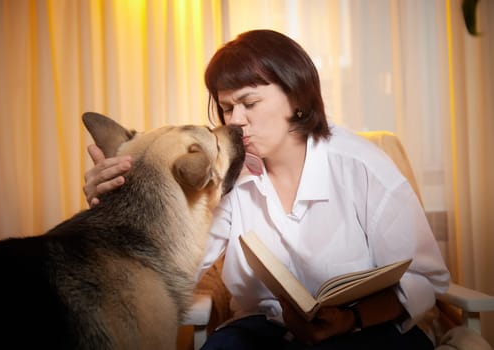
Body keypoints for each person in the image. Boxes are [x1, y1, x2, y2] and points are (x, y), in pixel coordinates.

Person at [83, 29, 449, 349]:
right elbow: (172, 266)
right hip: (264, 328)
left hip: (365, 327)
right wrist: (116, 205)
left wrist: (351, 320)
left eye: (249, 103)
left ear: (297, 98)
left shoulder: (363, 167)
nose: (236, 121)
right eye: (226, 108)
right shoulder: (224, 177)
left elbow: (425, 279)